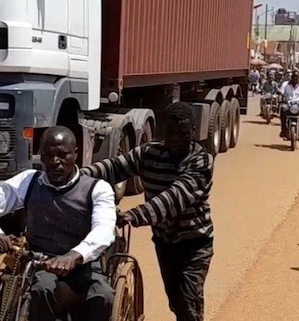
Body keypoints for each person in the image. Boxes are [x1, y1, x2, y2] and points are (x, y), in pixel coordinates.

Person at [81, 102, 215, 321]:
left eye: (182, 133)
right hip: (164, 242)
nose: (175, 138)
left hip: (195, 244)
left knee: (188, 304)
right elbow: (114, 168)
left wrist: (133, 215)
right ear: (163, 130)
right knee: (175, 300)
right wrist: (79, 177)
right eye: (170, 132)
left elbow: (173, 199)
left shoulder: (201, 161)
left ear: (192, 131)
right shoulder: (148, 153)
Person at [0, 127, 116, 321]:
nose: (55, 162)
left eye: (62, 155)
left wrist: (75, 255)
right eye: (49, 156)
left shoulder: (97, 189)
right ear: (42, 157)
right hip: (40, 262)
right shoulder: (29, 181)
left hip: (84, 265)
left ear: (76, 154)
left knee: (103, 296)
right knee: (41, 291)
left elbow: (104, 229)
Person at [280, 70, 299, 139]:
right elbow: (281, 94)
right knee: (283, 109)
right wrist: (281, 100)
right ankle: (284, 130)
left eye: (296, 77)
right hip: (288, 104)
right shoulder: (285, 84)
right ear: (291, 77)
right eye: (293, 77)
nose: (295, 78)